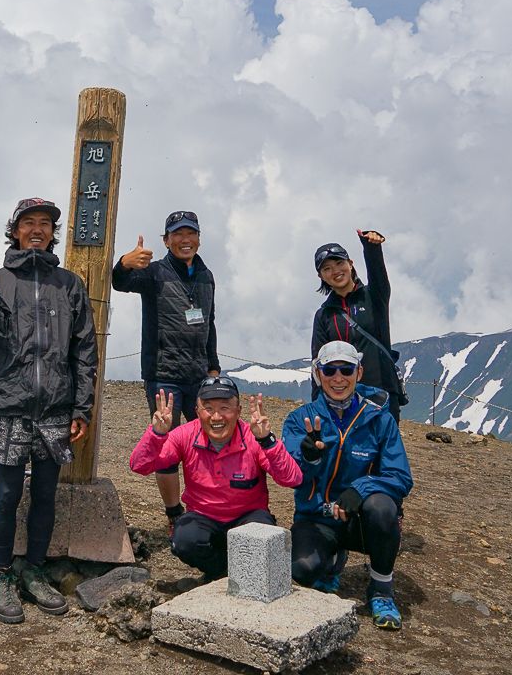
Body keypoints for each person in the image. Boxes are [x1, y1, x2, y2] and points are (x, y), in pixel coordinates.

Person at [0, 197, 97, 624]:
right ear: (15, 230)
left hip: (56, 410)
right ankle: (3, 575)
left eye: (45, 223)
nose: (37, 229)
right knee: (7, 494)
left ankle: (34, 570)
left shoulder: (70, 284)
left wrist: (82, 407)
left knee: (44, 495)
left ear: (53, 232)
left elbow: (85, 352)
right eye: (29, 223)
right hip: (10, 408)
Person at [282, 341, 412, 630]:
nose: (338, 378)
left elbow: (400, 476)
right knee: (300, 572)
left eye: (346, 369)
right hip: (316, 518)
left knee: (383, 508)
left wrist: (361, 489)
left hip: (360, 521)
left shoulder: (380, 419)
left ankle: (381, 590)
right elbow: (289, 474)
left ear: (359, 372)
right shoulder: (298, 420)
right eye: (329, 370)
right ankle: (331, 560)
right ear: (318, 374)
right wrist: (307, 456)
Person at [129, 376, 302, 581]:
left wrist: (268, 441)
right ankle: (221, 573)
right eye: (208, 408)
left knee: (260, 538)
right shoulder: (184, 435)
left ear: (238, 411)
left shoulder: (254, 437)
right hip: (203, 517)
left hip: (248, 517)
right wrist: (156, 434)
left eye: (225, 408)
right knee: (184, 540)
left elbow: (292, 479)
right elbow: (139, 466)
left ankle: (243, 575)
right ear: (197, 411)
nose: (216, 417)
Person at [112, 210, 220, 533]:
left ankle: (210, 505)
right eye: (178, 234)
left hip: (200, 375)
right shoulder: (154, 272)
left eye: (191, 233)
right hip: (164, 375)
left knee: (210, 441)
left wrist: (213, 365)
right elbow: (120, 283)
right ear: (166, 240)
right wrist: (124, 263)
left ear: (199, 238)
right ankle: (174, 514)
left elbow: (209, 322)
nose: (185, 240)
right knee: (168, 446)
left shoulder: (206, 276)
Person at [312, 229, 406, 423]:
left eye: (339, 263)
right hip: (342, 397)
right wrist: (317, 405)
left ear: (351, 264)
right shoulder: (324, 315)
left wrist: (371, 247)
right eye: (327, 268)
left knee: (386, 451)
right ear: (321, 276)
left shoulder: (374, 296)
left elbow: (378, 273)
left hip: (384, 392)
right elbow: (317, 363)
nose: (336, 271)